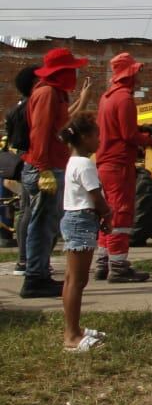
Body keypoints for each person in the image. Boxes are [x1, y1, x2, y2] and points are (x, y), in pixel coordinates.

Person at [20, 48, 92, 299]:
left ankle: (39, 273)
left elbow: (59, 126)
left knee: (46, 225)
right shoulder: (48, 93)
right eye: (71, 69)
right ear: (62, 72)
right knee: (41, 226)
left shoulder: (55, 94)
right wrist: (43, 169)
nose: (74, 73)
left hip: (49, 165)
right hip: (44, 167)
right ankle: (34, 279)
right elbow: (39, 133)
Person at [93, 52, 152, 282]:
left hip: (104, 164)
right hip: (119, 164)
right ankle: (118, 267)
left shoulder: (107, 98)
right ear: (129, 74)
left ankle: (103, 263)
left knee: (107, 214)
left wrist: (140, 128)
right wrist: (150, 140)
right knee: (121, 215)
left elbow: (119, 128)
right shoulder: (124, 99)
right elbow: (128, 134)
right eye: (136, 72)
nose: (138, 77)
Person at [57, 112, 108, 352]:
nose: (99, 140)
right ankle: (72, 336)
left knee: (71, 280)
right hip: (81, 220)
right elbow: (96, 196)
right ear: (85, 137)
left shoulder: (73, 161)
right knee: (77, 281)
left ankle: (74, 329)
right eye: (96, 136)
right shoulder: (86, 164)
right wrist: (108, 214)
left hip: (74, 219)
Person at [4, 65, 38, 270]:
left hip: (21, 162)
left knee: (24, 211)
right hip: (32, 161)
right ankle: (27, 260)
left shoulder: (16, 108)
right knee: (32, 212)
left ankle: (23, 259)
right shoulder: (32, 107)